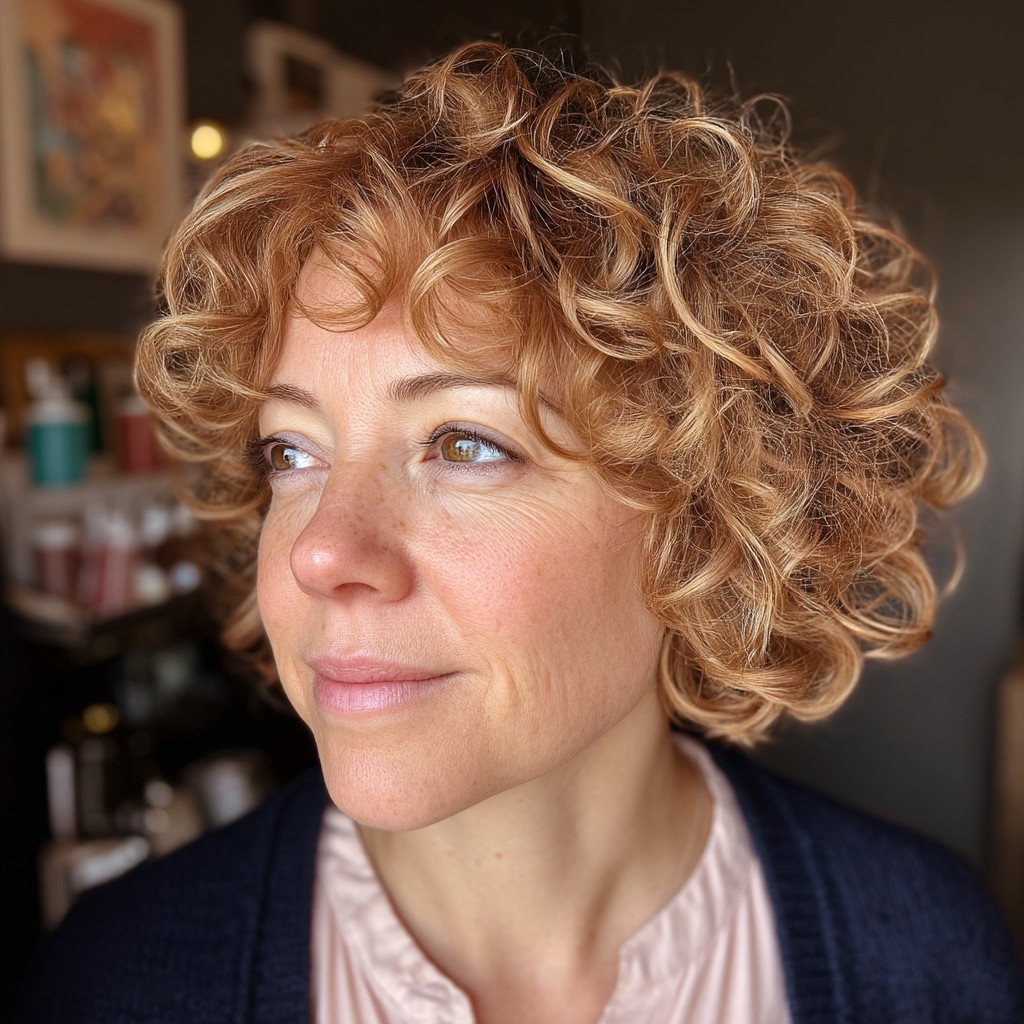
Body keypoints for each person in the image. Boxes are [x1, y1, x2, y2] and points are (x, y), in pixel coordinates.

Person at [18, 40, 1024, 1024]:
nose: (321, 552)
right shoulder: (114, 985)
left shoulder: (926, 960)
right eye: (291, 451)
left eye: (464, 444)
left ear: (704, 516)